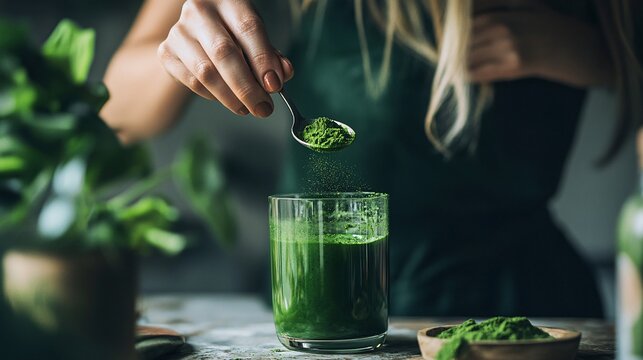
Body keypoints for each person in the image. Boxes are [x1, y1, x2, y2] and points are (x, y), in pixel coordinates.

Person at [101, 0, 642, 317]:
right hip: (324, 307)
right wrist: (176, 52)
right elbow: (115, 110)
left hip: (526, 305)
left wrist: (602, 56)